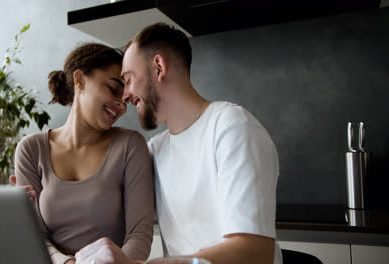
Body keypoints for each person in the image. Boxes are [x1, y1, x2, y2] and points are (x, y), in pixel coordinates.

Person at [75, 23, 282, 264]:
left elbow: (255, 252)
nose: (125, 96)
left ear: (159, 67)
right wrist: (35, 196)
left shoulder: (232, 127)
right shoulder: (154, 150)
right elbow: (98, 203)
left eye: (129, 79)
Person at [12, 42, 154, 264]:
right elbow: (34, 235)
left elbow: (139, 234)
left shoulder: (129, 146)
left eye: (125, 97)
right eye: (114, 88)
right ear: (79, 80)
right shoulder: (31, 149)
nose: (121, 105)